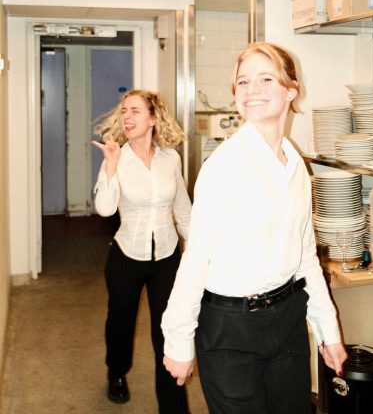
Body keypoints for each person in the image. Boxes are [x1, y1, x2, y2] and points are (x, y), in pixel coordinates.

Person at [161, 41, 347, 414]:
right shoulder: (224, 166)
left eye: (266, 79)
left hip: (288, 319)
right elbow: (196, 258)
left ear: (291, 90)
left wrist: (329, 331)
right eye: (243, 82)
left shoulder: (295, 166)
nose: (252, 90)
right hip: (231, 328)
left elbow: (305, 255)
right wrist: (178, 340)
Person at [92, 89, 191, 413]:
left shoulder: (170, 158)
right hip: (126, 256)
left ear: (153, 117)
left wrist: (197, 252)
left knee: (169, 330)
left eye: (135, 110)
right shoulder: (117, 157)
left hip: (167, 257)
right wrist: (110, 166)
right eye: (124, 111)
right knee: (120, 322)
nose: (127, 116)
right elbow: (105, 209)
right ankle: (116, 372)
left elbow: (183, 209)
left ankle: (173, 406)